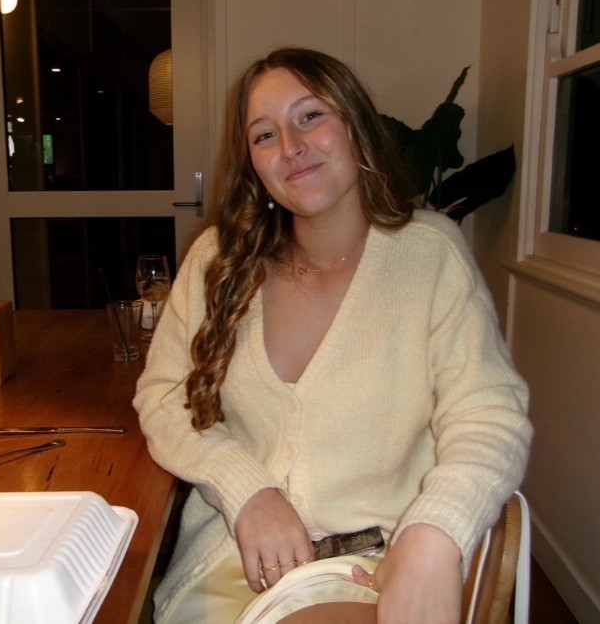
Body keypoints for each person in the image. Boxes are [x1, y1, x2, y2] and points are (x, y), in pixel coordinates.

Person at [133, 47, 532, 623]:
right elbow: (164, 396)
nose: (291, 146)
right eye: (264, 135)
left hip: (377, 565)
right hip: (231, 560)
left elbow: (489, 414)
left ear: (356, 127)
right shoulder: (216, 260)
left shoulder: (430, 256)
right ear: (253, 165)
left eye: (310, 116)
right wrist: (246, 489)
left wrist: (435, 531)